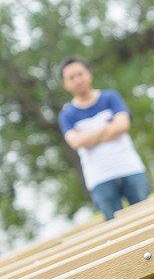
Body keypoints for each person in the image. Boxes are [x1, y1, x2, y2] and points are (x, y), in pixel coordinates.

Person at [58, 55, 149, 220]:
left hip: (129, 167)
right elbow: (76, 142)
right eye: (71, 77)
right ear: (65, 84)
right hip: (99, 177)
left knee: (147, 217)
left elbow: (123, 125)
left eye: (80, 74)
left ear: (89, 74)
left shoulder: (110, 97)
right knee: (115, 229)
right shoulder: (67, 115)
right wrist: (108, 127)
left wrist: (88, 137)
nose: (78, 80)